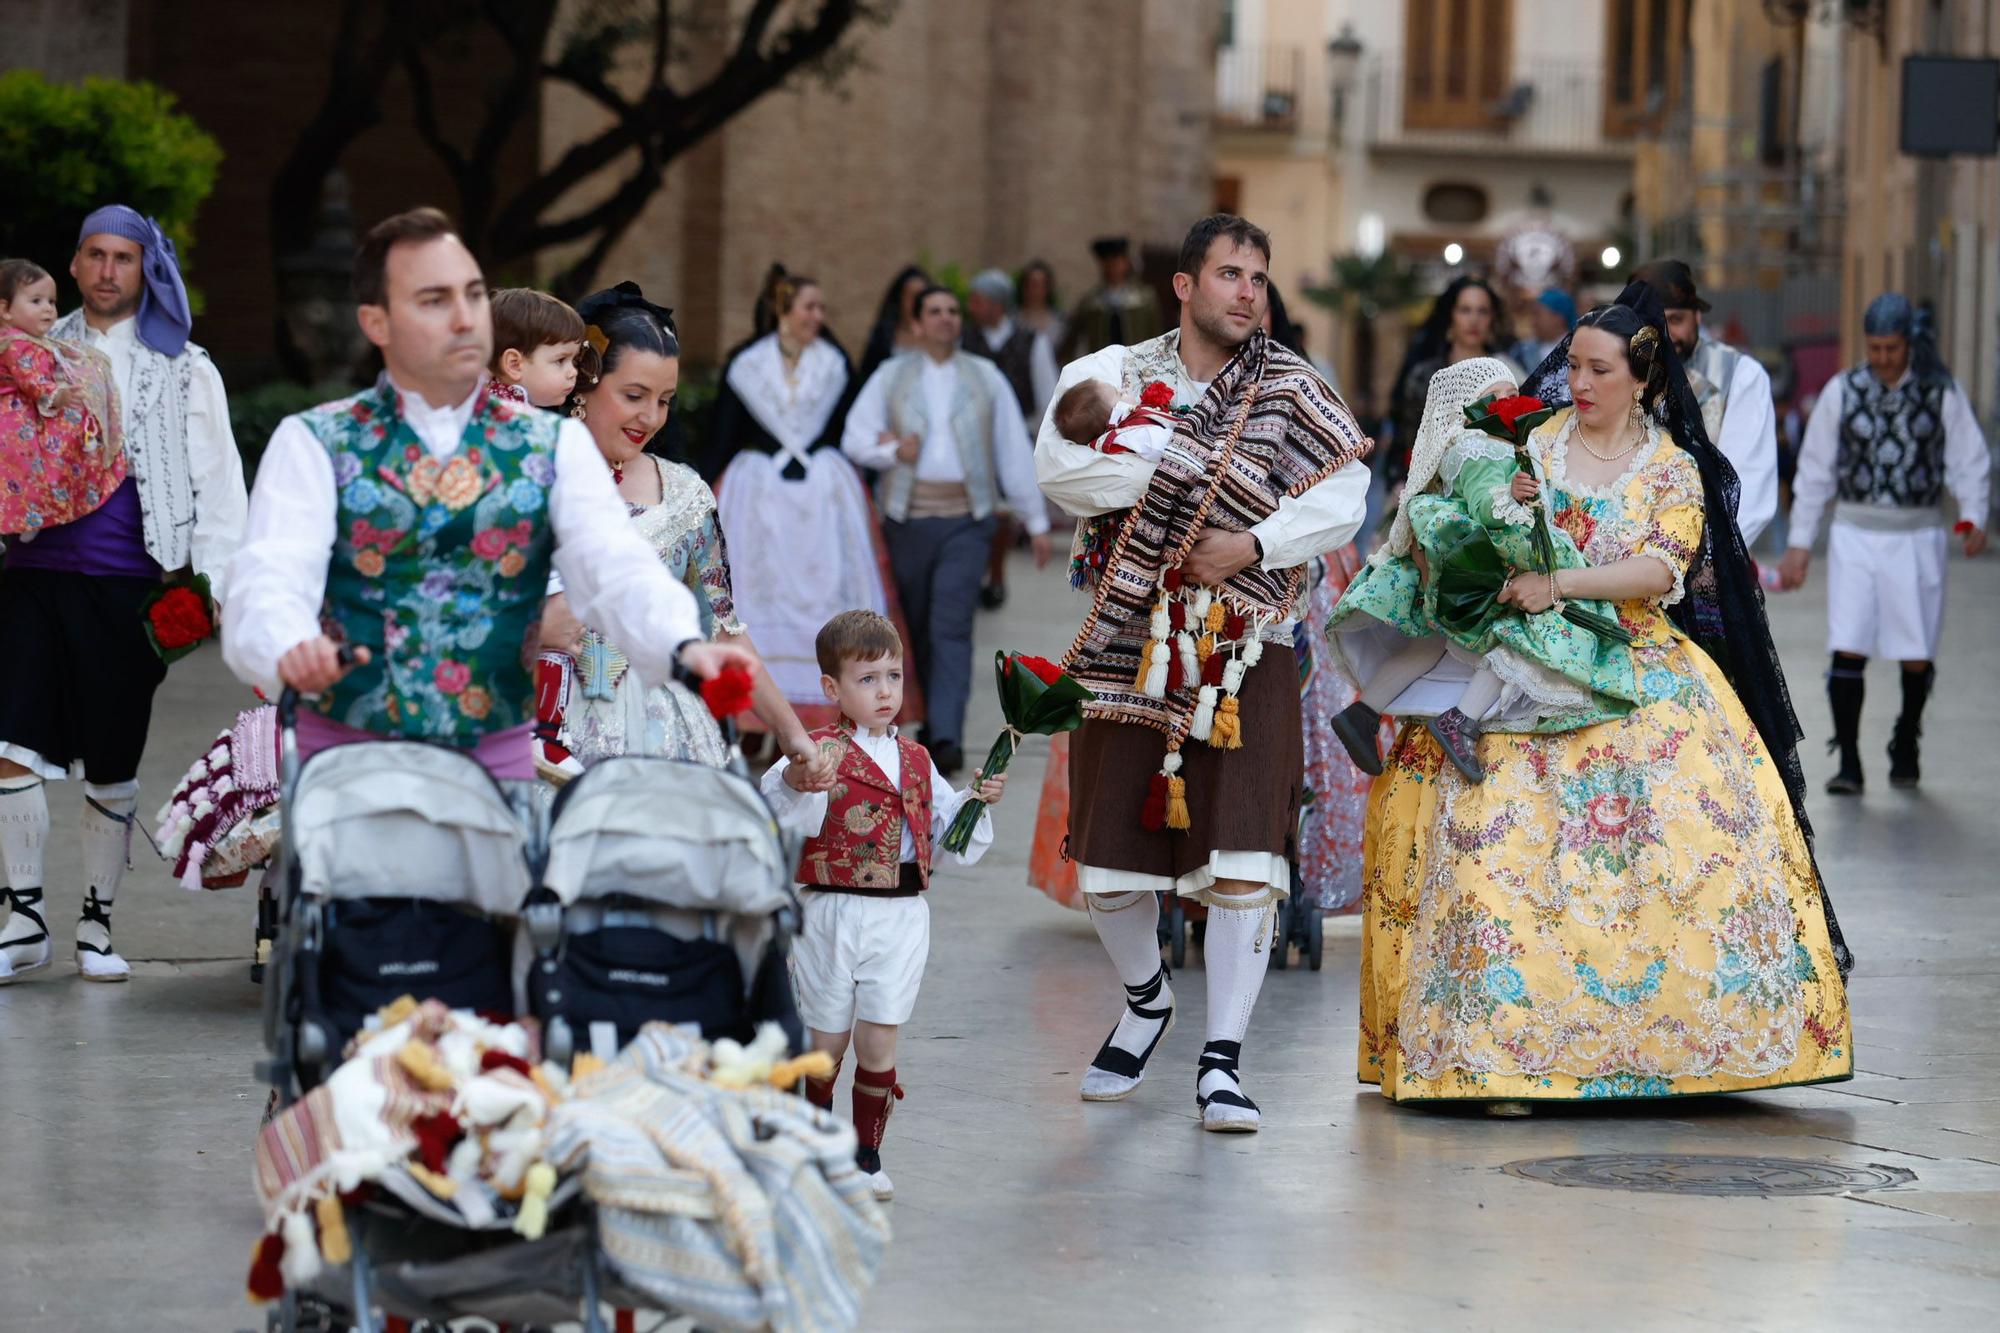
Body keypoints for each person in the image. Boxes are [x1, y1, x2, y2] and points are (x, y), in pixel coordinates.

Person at [1358, 283, 1852, 1110]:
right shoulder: (1536, 444)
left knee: (1687, 852)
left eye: (1597, 369)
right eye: (1575, 367)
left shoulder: (1673, 468)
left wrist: (1560, 582)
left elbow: (1660, 571)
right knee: (1491, 840)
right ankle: (1497, 1052)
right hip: (1523, 663)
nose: (1577, 382)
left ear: (1644, 379)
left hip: (1636, 662)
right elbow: (1477, 512)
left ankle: (1686, 1047)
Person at [1036, 214, 1371, 1131]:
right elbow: (1060, 470)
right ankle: (1148, 1000)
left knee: (1242, 863)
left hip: (1245, 640)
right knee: (1105, 866)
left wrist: (1252, 541)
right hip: (1127, 634)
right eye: (1229, 273)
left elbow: (1344, 495)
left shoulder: (1296, 388)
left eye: (1258, 276)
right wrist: (1176, 468)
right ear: (1183, 285)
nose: (1246, 292)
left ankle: (1221, 1058)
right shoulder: (1111, 372)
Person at [220, 209, 754, 784]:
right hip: (354, 762)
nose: (461, 318)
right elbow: (265, 585)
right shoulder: (315, 442)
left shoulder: (552, 447)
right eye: (433, 299)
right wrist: (289, 648)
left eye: (472, 296)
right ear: (377, 322)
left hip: (496, 773)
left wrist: (681, 643)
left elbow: (616, 570)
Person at [0, 205, 248, 984]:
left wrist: (216, 589)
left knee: (111, 759)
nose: (108, 270)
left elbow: (219, 482)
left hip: (131, 587)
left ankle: (97, 928)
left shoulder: (187, 365)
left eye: (124, 258)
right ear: (73, 264)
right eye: (95, 255)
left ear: (147, 268)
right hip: (31, 575)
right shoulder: (29, 347)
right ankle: (23, 917)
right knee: (8, 746)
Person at [759, 609, 1006, 1202]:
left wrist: (977, 801)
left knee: (879, 1039)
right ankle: (816, 1149)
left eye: (893, 676)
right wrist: (797, 781)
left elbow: (948, 839)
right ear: (832, 689)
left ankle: (866, 1156)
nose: (885, 691)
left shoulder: (919, 761)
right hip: (830, 913)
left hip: (900, 916)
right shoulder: (813, 753)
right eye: (867, 679)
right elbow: (776, 812)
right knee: (826, 1042)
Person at [542, 281, 827, 777]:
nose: (649, 417)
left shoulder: (684, 493)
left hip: (663, 739)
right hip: (546, 727)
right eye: (634, 395)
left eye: (666, 400)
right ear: (583, 381)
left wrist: (791, 734)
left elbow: (723, 630)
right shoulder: (521, 472)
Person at [1325, 358, 1640, 782]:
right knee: (1528, 638)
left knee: (1433, 643)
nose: (1506, 406)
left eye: (1512, 397)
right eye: (1495, 399)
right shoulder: (1479, 444)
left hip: (1469, 562)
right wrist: (1509, 494)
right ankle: (1462, 721)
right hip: (1495, 559)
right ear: (1465, 406)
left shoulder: (1467, 447)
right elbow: (1483, 504)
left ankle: (1364, 711)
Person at [1777, 292, 1989, 793]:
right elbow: (1815, 469)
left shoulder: (1941, 391)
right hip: (1855, 536)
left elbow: (1968, 459)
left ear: (1909, 344)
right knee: (1848, 644)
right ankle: (1848, 758)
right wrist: (1800, 542)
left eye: (1892, 348)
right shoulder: (1842, 391)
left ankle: (1907, 737)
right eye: (1875, 348)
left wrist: (1973, 516)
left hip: (1918, 535)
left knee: (1916, 648)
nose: (1883, 358)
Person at [841, 285, 1053, 777]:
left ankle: (946, 735)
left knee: (951, 624)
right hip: (906, 521)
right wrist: (893, 453)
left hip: (967, 521)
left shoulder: (986, 377)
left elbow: (1011, 450)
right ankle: (918, 721)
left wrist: (1035, 520)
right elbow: (854, 438)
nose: (945, 319)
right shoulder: (890, 376)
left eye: (953, 311)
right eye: (934, 311)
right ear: (916, 324)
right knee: (911, 629)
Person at [701, 265, 914, 733]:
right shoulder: (747, 363)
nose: (818, 316)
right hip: (757, 497)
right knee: (756, 592)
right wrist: (698, 489)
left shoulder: (833, 363)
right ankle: (756, 716)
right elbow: (724, 433)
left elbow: (849, 426)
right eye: (809, 307)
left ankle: (834, 711)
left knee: (829, 589)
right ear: (783, 310)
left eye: (821, 308)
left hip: (823, 494)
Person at [480, 287, 593, 780]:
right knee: (553, 628)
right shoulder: (515, 421)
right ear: (514, 362)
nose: (573, 373)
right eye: (562, 359)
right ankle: (541, 733)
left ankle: (537, 733)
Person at [1631, 259, 1779, 551]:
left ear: (1697, 317)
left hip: (1708, 560)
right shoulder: (1615, 372)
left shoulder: (1739, 375)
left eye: (1675, 320)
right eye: (1654, 323)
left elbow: (1747, 486)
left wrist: (1708, 562)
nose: (1666, 334)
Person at [0, 258, 126, 538]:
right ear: (5, 310)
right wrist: (57, 395)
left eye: (51, 301)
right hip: (14, 419)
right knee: (53, 442)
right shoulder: (17, 344)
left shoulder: (29, 340)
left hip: (23, 414)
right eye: (36, 301)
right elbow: (32, 380)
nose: (48, 308)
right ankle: (36, 509)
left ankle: (35, 511)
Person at [962, 267, 1060, 612]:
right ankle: (977, 572)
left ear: (997, 304)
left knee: (1003, 510)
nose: (972, 308)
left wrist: (1040, 438)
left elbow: (1047, 393)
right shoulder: (965, 341)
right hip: (970, 438)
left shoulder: (1031, 340)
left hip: (1017, 432)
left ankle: (996, 573)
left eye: (978, 301)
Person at [1385, 276, 1520, 494]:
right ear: (1450, 316)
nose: (1474, 320)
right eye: (1465, 310)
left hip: (1495, 488)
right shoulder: (1426, 376)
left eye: (1482, 311)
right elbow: (1406, 439)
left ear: (1492, 319)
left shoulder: (1509, 373)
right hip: (1429, 491)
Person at [1061, 236, 1165, 363]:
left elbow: (1157, 337)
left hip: (1138, 366)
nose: (1112, 268)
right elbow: (1072, 340)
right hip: (1101, 369)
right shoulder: (1090, 302)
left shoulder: (1145, 298)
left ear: (1126, 263)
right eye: (1107, 263)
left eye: (1116, 262)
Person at [856, 264, 930, 386]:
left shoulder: (943, 336)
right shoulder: (884, 337)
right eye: (912, 297)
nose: (917, 303)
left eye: (921, 297)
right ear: (900, 300)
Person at [1509, 287, 1574, 377]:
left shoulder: (1578, 351)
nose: (1533, 321)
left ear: (1558, 318)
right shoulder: (1521, 352)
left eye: (1538, 314)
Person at [1015, 259, 1065, 351]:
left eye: (1042, 285)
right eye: (1033, 284)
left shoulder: (1061, 320)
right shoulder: (1013, 320)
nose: (1037, 290)